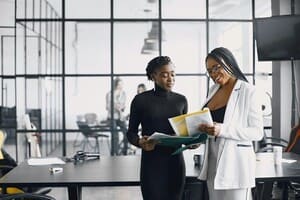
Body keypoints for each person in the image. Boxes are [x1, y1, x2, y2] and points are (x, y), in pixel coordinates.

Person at [197, 47, 264, 200]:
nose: (213, 74)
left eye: (216, 67)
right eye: (209, 71)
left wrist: (222, 130)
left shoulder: (249, 91)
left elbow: (257, 132)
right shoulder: (212, 90)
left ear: (229, 63)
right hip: (213, 164)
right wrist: (197, 135)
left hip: (236, 165)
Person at [127, 56, 188, 200]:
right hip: (152, 164)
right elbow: (131, 133)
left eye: (173, 74)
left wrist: (193, 141)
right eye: (164, 75)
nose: (170, 78)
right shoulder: (140, 100)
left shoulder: (181, 100)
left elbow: (184, 133)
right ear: (153, 76)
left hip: (176, 164)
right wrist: (140, 142)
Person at [106, 77, 129, 155]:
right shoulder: (109, 94)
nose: (121, 86)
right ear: (115, 84)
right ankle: (114, 153)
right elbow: (108, 107)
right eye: (119, 84)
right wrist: (115, 107)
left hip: (120, 117)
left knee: (127, 133)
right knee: (115, 135)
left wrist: (121, 107)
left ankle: (124, 151)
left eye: (122, 84)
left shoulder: (123, 93)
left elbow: (123, 106)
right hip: (112, 117)